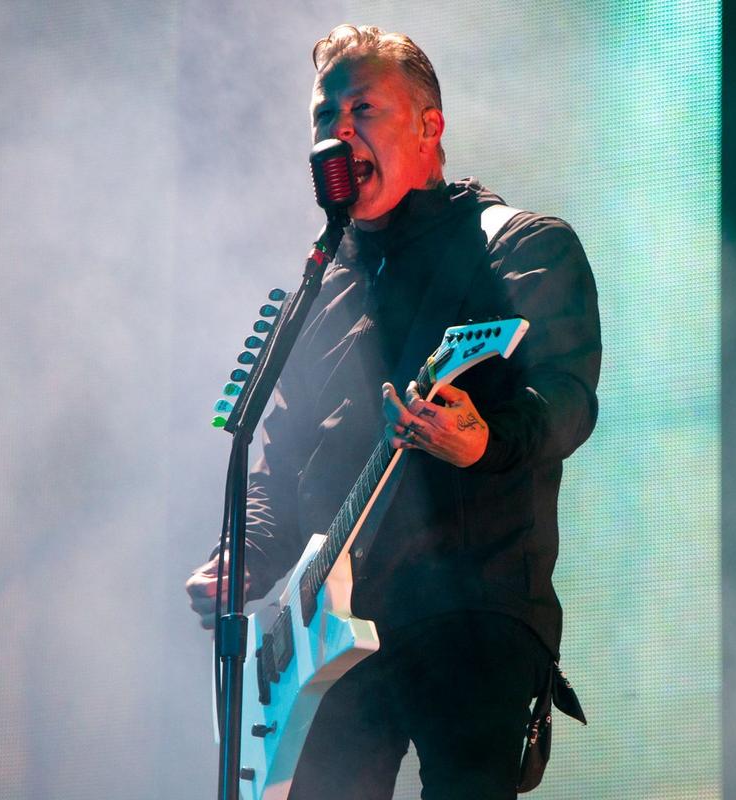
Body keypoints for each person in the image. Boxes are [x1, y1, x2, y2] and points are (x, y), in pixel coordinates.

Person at [186, 24, 600, 800]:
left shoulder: (518, 246)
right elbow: (281, 459)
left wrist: (484, 440)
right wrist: (246, 555)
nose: (339, 130)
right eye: (324, 114)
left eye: (363, 108)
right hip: (336, 633)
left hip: (472, 610)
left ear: (429, 126)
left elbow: (568, 399)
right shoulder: (323, 288)